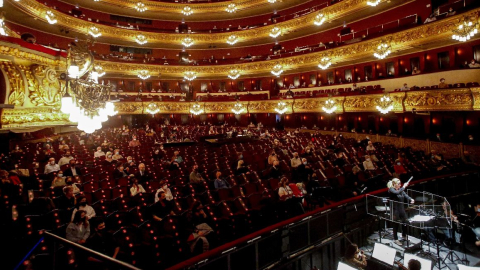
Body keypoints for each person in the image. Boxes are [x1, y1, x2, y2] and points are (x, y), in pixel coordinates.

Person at [387, 178, 414, 246]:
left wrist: (411, 199)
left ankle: (404, 235)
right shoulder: (391, 190)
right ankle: (396, 239)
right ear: (394, 184)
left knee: (405, 222)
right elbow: (396, 193)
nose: (400, 185)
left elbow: (405, 195)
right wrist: (404, 187)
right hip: (395, 210)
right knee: (395, 224)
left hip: (401, 209)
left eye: (400, 183)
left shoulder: (400, 190)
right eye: (398, 184)